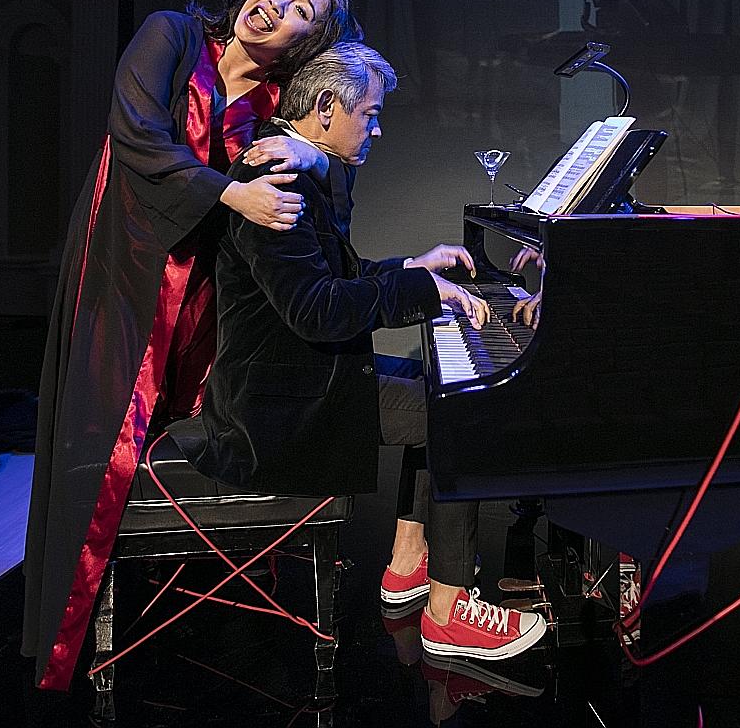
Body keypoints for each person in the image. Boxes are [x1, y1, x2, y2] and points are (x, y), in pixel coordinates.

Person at [22, 0, 361, 691]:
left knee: (190, 431)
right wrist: (233, 195)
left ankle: (190, 609)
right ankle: (71, 638)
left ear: (304, 46)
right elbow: (136, 134)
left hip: (203, 291)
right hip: (125, 270)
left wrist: (305, 149)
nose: (278, 3)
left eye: (302, 10)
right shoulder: (172, 35)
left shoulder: (276, 104)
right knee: (104, 441)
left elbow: (341, 156)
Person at [176, 41, 547, 661]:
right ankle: (450, 610)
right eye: (369, 113)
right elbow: (317, 311)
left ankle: (407, 564)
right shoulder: (277, 186)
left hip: (295, 382)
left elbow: (334, 279)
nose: (376, 129)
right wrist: (422, 290)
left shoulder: (295, 170)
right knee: (460, 412)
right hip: (276, 411)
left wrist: (412, 266)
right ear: (325, 108)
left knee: (440, 387)